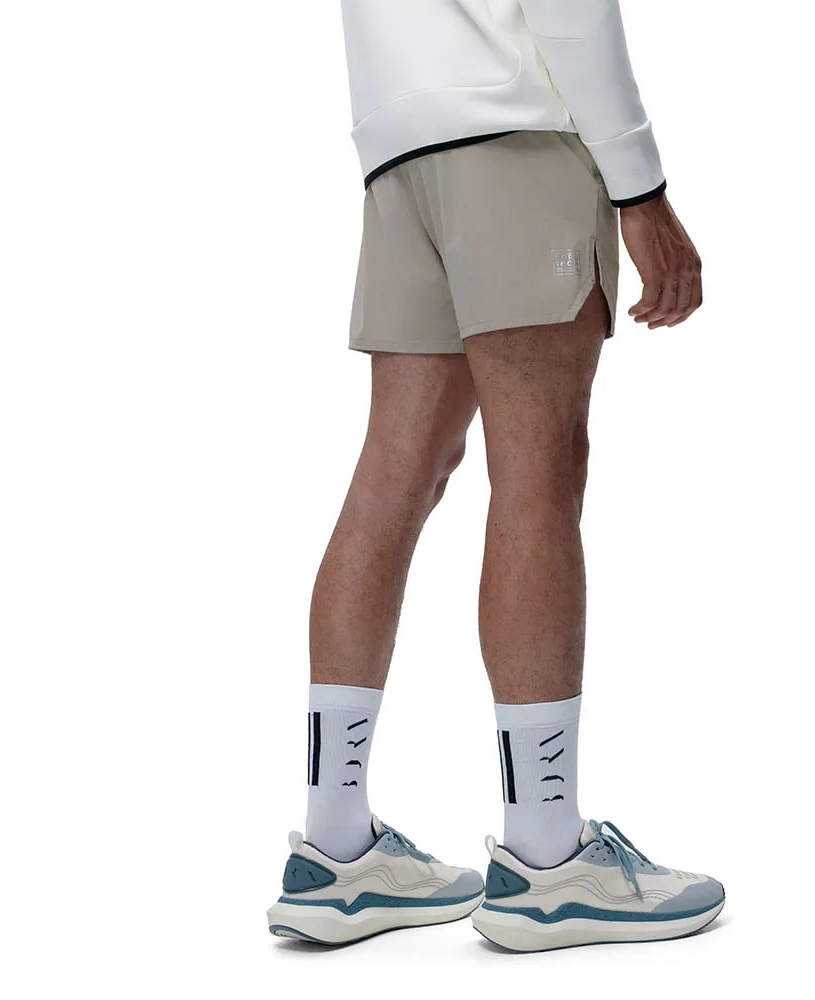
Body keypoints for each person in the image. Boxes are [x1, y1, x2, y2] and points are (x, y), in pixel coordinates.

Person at [266, 0, 723, 952]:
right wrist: (641, 189)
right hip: (515, 139)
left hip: (399, 147)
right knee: (538, 470)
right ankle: (549, 860)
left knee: (396, 474)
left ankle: (335, 849)